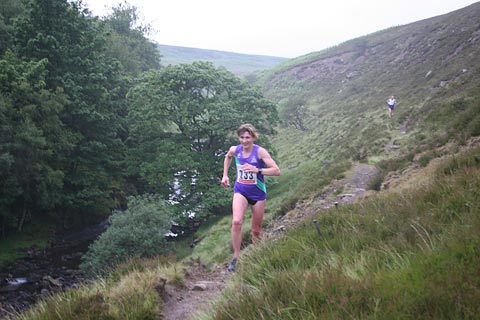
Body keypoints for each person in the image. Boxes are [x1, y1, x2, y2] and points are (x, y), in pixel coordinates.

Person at [221, 124, 281, 272]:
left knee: (255, 231)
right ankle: (235, 257)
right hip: (240, 190)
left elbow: (277, 171)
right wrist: (225, 175)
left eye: (247, 137)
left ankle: (258, 255)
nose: (244, 141)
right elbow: (227, 157)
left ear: (253, 137)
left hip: (258, 194)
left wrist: (258, 170)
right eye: (241, 137)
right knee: (236, 222)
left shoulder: (260, 152)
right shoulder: (235, 150)